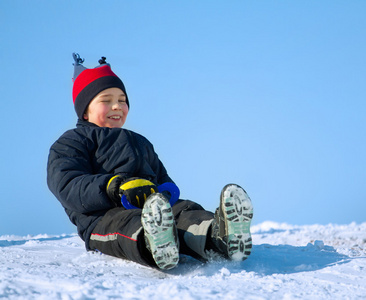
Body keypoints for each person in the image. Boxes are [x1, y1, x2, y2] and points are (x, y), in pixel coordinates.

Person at [47, 53, 253, 270]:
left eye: (122, 100)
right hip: (101, 218)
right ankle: (154, 241)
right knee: (125, 224)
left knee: (184, 210)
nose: (117, 106)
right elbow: (67, 183)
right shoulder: (73, 141)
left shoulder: (139, 141)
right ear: (85, 111)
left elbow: (161, 176)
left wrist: (165, 192)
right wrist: (112, 187)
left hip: (154, 209)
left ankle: (218, 236)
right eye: (106, 101)